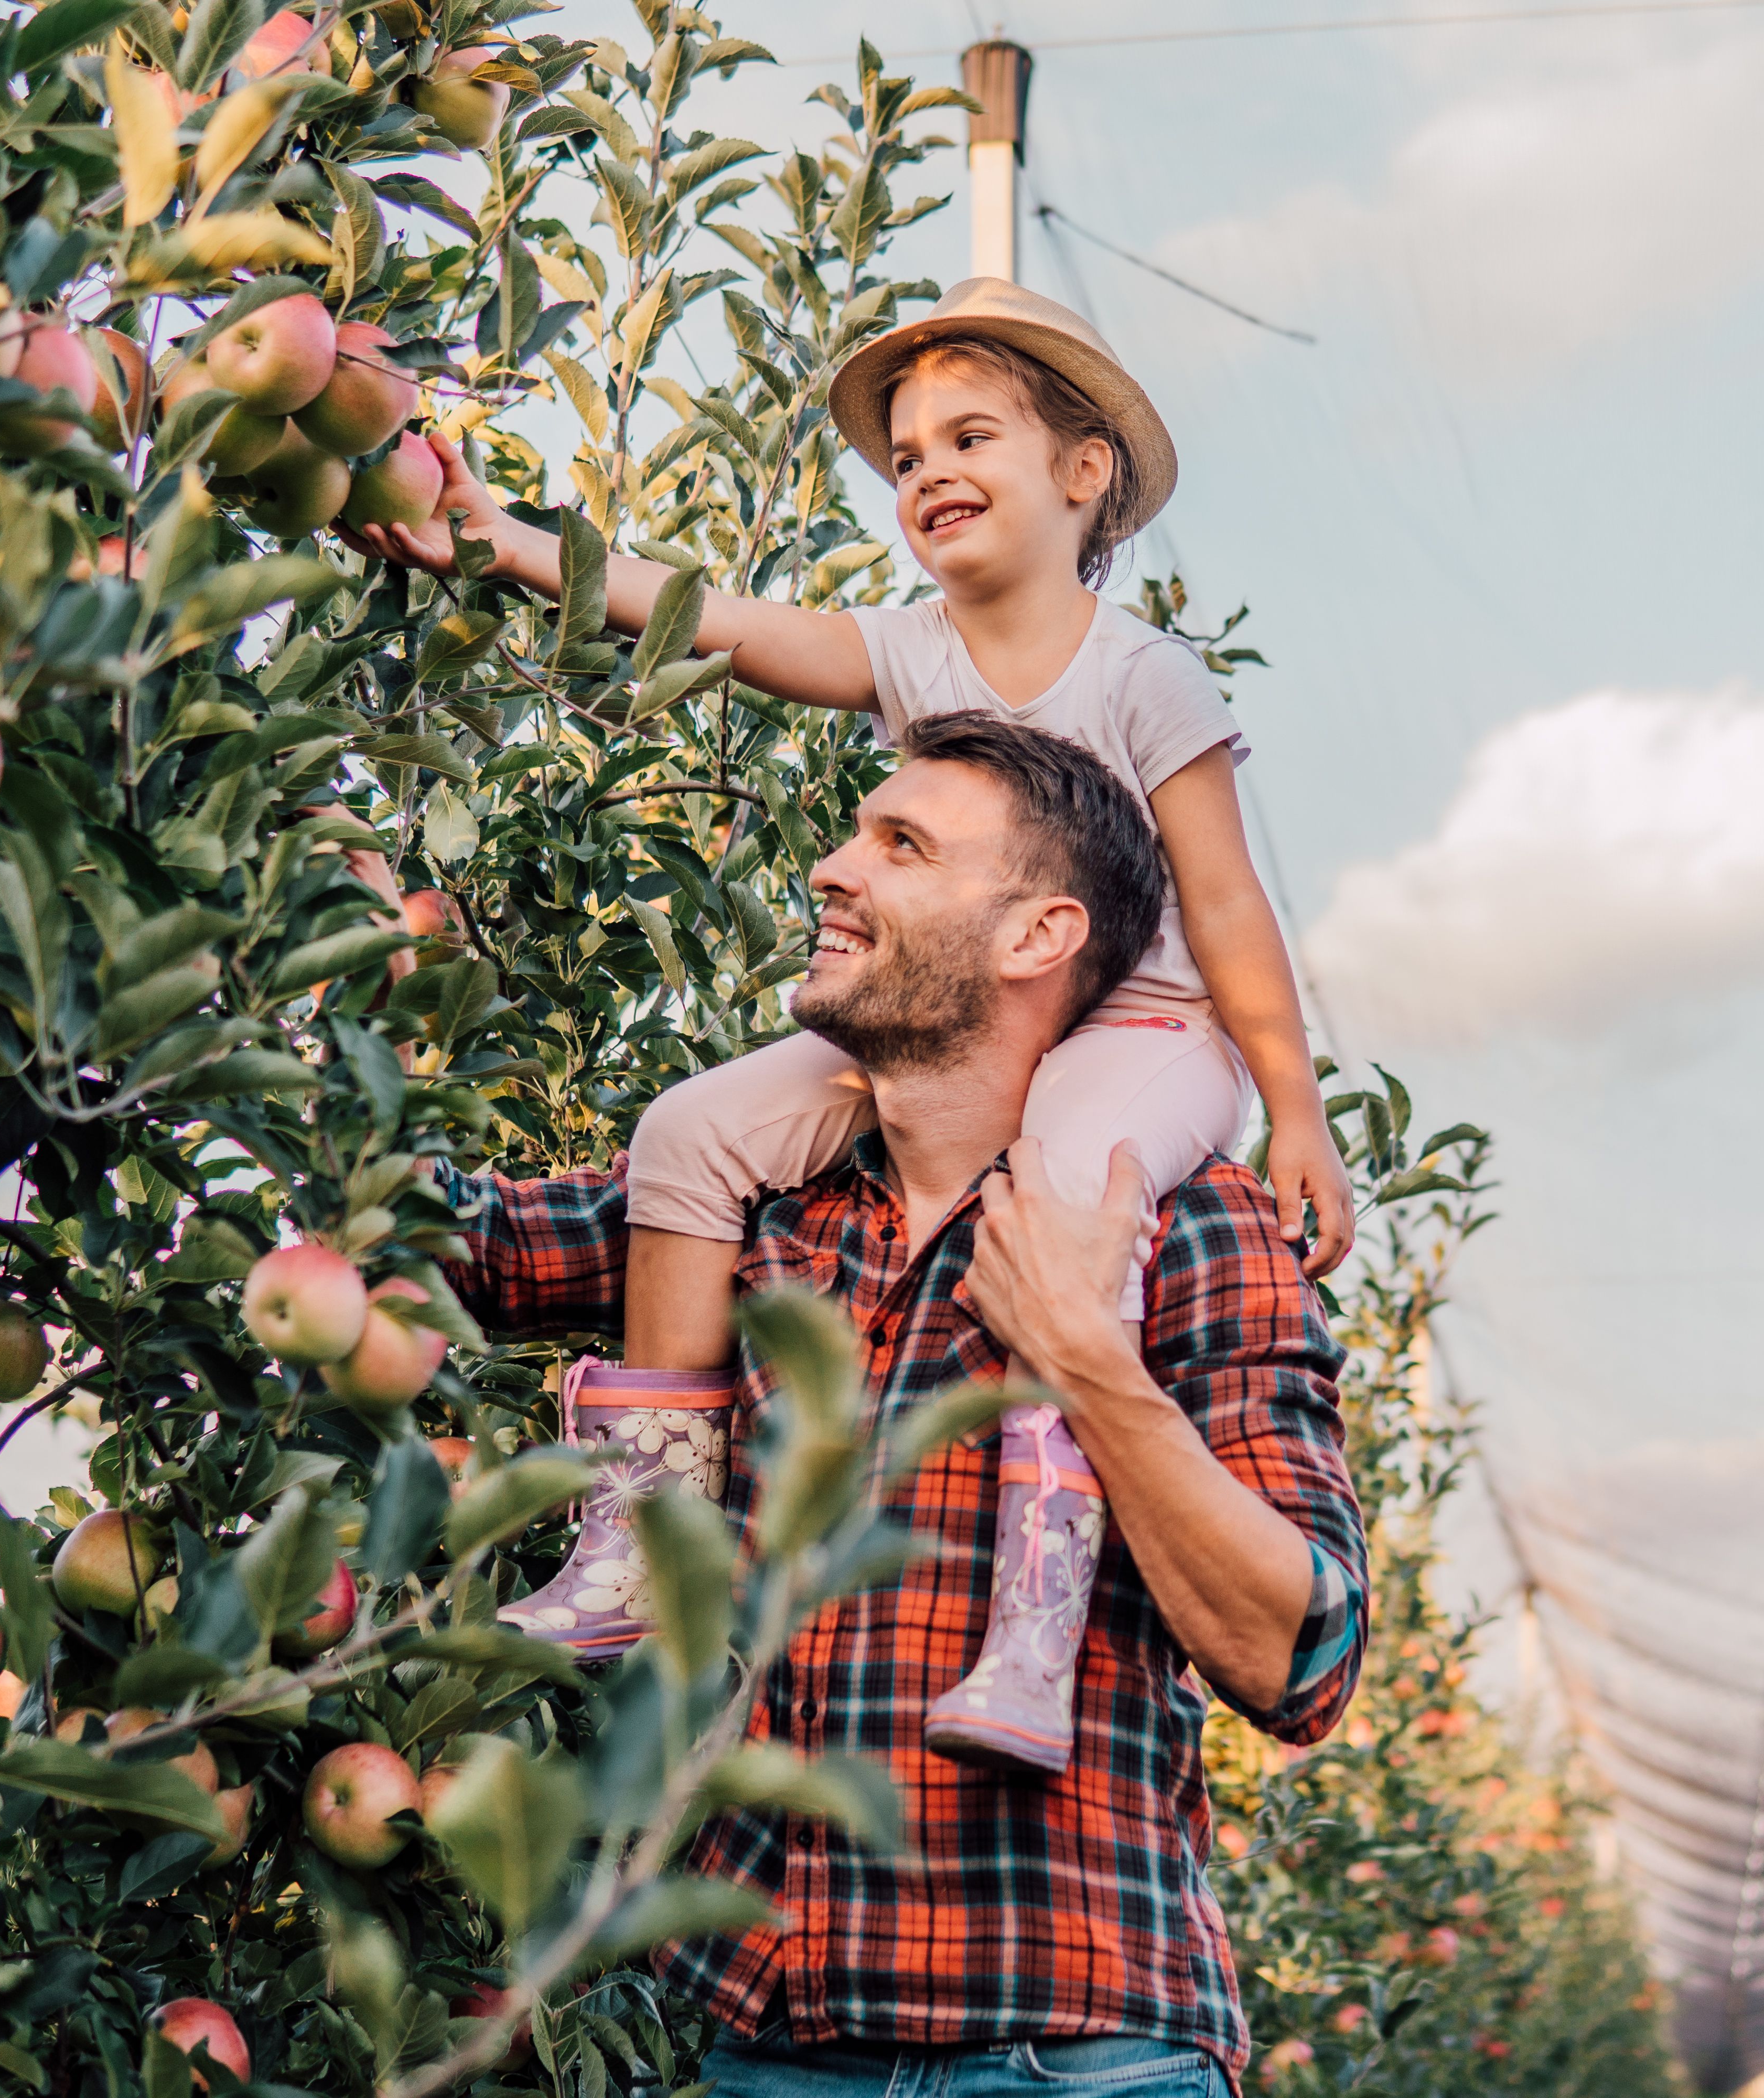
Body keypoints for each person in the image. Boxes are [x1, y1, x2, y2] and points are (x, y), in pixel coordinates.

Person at [347, 283, 1352, 1756]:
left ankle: (1033, 1628)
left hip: (1145, 1035)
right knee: (689, 1134)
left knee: (1069, 1199)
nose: (928, 469)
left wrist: (1296, 1107)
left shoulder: (1143, 676)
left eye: (970, 435)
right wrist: (504, 546)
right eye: (904, 455)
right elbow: (719, 623)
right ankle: (641, 1535)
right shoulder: (909, 652)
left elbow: (1229, 903)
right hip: (972, 1021)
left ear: (1084, 476)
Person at [433, 712, 1367, 2096]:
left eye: (901, 846)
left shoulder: (1183, 1222)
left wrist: (1092, 1367)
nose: (830, 867)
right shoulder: (759, 1218)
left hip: (1080, 2054)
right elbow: (457, 1244)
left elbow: (1303, 1659)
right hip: (777, 2052)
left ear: (1037, 937)